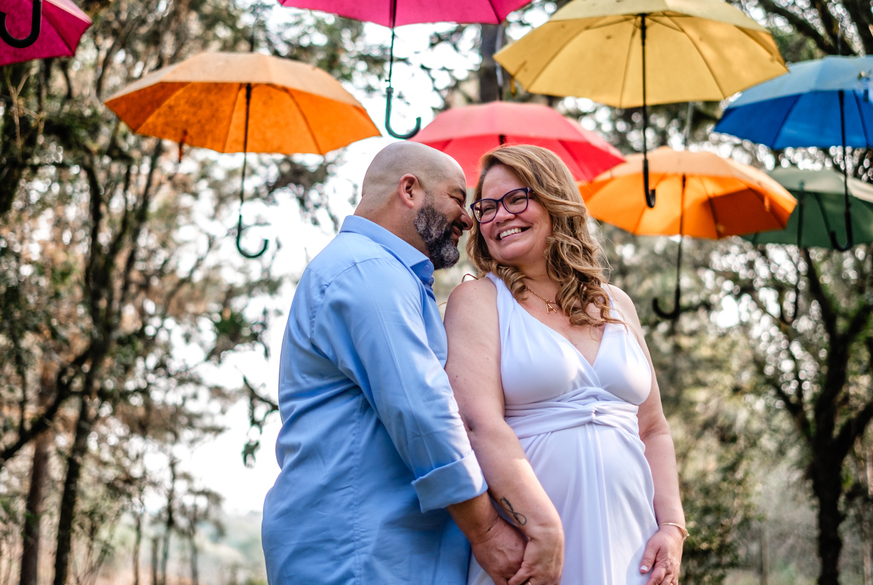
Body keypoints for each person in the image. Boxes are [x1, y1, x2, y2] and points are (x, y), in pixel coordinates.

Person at [262, 142, 527, 585]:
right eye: (457, 198)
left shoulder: (384, 274)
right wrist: (486, 531)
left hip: (384, 548)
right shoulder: (367, 270)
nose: (469, 219)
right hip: (357, 550)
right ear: (410, 190)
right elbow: (420, 408)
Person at [445, 145, 688, 585]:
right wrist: (543, 529)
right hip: (535, 541)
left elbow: (653, 428)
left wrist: (672, 526)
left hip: (633, 541)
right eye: (486, 207)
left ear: (554, 199)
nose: (498, 216)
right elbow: (479, 424)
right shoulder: (479, 300)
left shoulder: (618, 305)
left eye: (517, 199)